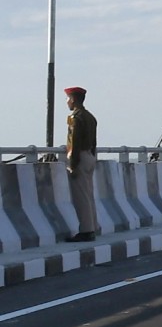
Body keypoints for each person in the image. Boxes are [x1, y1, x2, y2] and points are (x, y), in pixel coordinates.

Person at [65, 86, 98, 242]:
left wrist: (72, 164)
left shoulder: (75, 118)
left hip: (80, 157)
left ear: (73, 99)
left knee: (81, 197)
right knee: (88, 194)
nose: (67, 102)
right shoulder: (90, 117)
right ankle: (93, 227)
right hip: (90, 156)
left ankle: (86, 231)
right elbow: (94, 142)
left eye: (68, 99)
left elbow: (74, 143)